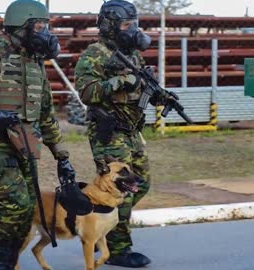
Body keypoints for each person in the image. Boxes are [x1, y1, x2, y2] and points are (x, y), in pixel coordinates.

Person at [0, 1, 91, 269]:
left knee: (27, 207)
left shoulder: (36, 63)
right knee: (16, 204)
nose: (45, 32)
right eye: (39, 26)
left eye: (47, 26)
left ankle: (5, 260)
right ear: (21, 27)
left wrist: (62, 156)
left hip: (24, 145)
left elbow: (46, 114)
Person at [74, 0, 152, 267]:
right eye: (126, 25)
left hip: (131, 131)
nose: (132, 30)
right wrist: (119, 81)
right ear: (110, 25)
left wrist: (152, 91)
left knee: (142, 183)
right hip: (108, 132)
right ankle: (118, 250)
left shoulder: (132, 54)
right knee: (124, 189)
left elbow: (137, 88)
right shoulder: (94, 54)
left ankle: (99, 232)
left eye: (134, 24)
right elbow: (86, 93)